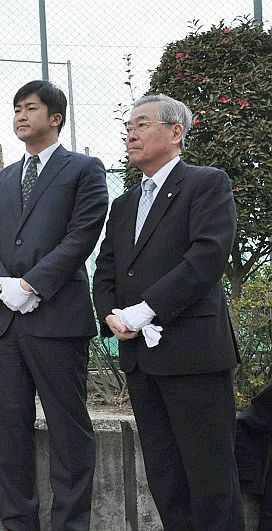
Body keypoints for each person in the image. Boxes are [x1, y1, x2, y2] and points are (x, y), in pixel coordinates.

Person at [92, 93, 244, 529]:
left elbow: (206, 257)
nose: (131, 133)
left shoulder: (206, 183)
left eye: (142, 124)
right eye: (128, 126)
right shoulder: (123, 204)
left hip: (194, 353)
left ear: (176, 132)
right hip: (141, 358)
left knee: (210, 475)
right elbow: (106, 270)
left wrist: (145, 310)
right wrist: (110, 315)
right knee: (164, 473)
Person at [0, 80, 108, 530]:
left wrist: (31, 285)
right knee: (8, 434)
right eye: (15, 110)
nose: (20, 117)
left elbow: (82, 235)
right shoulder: (0, 180)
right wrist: (1, 284)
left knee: (69, 431)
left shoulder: (84, 170)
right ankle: (18, 524)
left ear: (56, 118)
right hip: (1, 324)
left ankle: (70, 524)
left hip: (56, 320)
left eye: (30, 108)